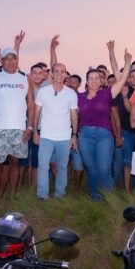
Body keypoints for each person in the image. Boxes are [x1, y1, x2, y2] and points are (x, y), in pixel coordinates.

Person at [0, 41, 35, 206]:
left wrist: (30, 127)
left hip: (20, 129)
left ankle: (12, 197)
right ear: (2, 61)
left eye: (13, 58)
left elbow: (31, 104)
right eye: (7, 58)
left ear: (17, 60)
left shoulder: (25, 78)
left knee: (15, 163)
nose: (10, 61)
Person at [78, 48, 132, 199]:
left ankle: (109, 200)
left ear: (101, 81)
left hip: (104, 136)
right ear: (87, 82)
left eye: (97, 78)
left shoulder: (107, 93)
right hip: (84, 136)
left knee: (104, 169)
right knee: (92, 170)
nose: (94, 81)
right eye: (91, 78)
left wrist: (127, 62)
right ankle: (95, 198)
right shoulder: (78, 97)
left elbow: (121, 80)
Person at [33, 62, 79, 199]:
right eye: (56, 71)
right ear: (52, 74)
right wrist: (35, 132)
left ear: (65, 75)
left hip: (64, 137)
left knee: (62, 167)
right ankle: (42, 195)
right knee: (43, 166)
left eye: (62, 71)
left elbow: (74, 116)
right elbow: (36, 113)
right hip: (46, 136)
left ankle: (60, 194)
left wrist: (74, 136)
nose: (59, 73)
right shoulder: (43, 92)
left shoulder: (71, 94)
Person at [115, 68, 135, 191]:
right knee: (127, 162)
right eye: (132, 76)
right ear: (129, 79)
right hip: (127, 131)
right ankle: (127, 190)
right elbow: (127, 110)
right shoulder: (124, 90)